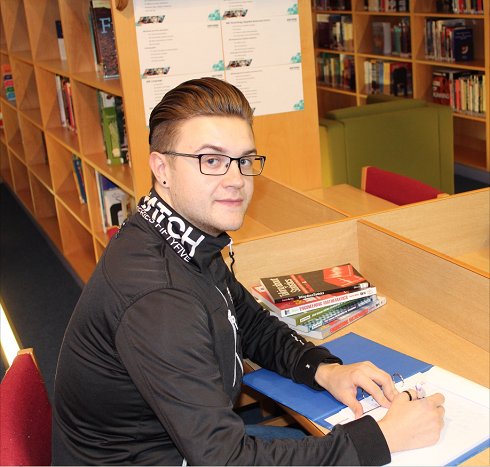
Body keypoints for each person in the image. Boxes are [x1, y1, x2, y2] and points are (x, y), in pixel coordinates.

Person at [52, 77, 445, 466]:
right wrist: (384, 438)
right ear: (162, 168)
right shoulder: (159, 297)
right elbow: (226, 461)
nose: (236, 180)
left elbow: (248, 322)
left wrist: (321, 370)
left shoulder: (180, 236)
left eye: (243, 160)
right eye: (211, 160)